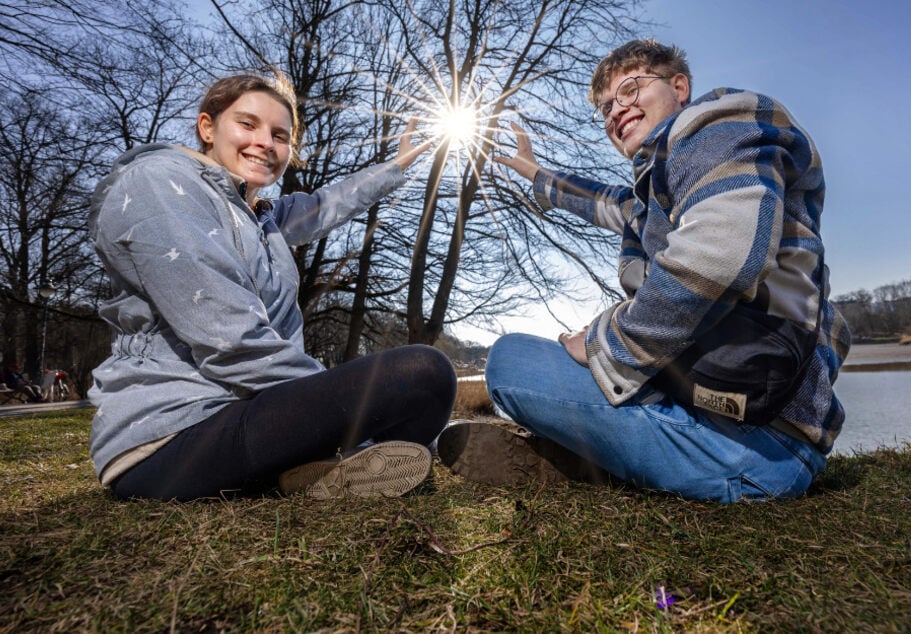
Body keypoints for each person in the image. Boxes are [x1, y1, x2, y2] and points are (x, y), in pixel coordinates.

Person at [438, 39, 851, 502]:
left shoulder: (718, 125)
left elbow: (719, 256)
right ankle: (603, 456)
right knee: (522, 361)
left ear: (679, 86)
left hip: (756, 442)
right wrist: (535, 174)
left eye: (631, 89)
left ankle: (602, 458)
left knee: (511, 363)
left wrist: (605, 342)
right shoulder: (658, 190)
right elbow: (601, 203)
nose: (616, 109)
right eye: (606, 106)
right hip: (736, 418)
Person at [88, 72, 457, 501]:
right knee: (421, 374)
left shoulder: (257, 215)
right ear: (207, 127)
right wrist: (338, 402)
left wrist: (396, 166)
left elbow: (324, 207)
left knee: (424, 388)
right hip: (171, 439)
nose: (266, 142)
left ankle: (325, 470)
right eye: (248, 124)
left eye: (280, 136)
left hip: (244, 416)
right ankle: (361, 454)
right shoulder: (160, 183)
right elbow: (231, 341)